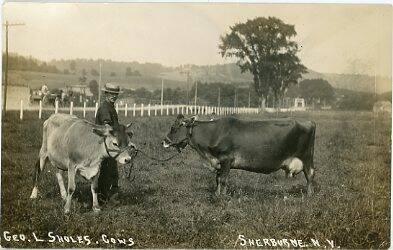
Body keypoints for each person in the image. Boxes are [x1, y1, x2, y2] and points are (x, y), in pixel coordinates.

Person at [95, 83, 121, 204]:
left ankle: (103, 197)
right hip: (106, 146)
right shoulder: (105, 108)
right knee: (110, 172)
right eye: (111, 94)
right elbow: (107, 127)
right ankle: (109, 199)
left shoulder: (110, 107)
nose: (114, 96)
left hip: (109, 145)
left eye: (116, 94)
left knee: (107, 171)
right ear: (106, 94)